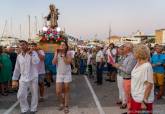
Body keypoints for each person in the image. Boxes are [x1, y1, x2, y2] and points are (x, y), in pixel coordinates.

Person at [12, 40, 40, 114]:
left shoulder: (33, 53)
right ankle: (25, 109)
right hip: (23, 78)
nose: (22, 46)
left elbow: (36, 62)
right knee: (20, 94)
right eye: (20, 45)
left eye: (23, 44)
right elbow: (17, 69)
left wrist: (31, 54)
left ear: (27, 45)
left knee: (34, 93)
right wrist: (14, 79)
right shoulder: (19, 56)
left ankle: (33, 109)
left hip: (33, 76)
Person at [130, 44, 154, 114]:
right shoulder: (138, 63)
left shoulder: (147, 66)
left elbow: (149, 84)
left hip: (142, 100)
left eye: (134, 52)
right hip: (135, 96)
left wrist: (144, 101)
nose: (133, 53)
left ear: (138, 53)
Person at [113, 43, 136, 114]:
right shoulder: (127, 56)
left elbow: (128, 70)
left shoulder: (131, 57)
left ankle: (128, 108)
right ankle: (129, 110)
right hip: (123, 76)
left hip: (127, 77)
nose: (123, 48)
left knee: (128, 95)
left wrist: (118, 66)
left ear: (128, 48)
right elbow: (124, 66)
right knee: (126, 93)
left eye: (124, 47)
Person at [52, 40, 72, 114]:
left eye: (63, 45)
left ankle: (66, 106)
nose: (62, 46)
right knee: (58, 91)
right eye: (61, 45)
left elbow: (68, 62)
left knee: (66, 90)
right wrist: (57, 54)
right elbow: (53, 63)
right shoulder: (57, 52)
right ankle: (61, 102)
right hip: (59, 74)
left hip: (67, 74)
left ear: (66, 46)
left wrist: (63, 55)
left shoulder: (69, 53)